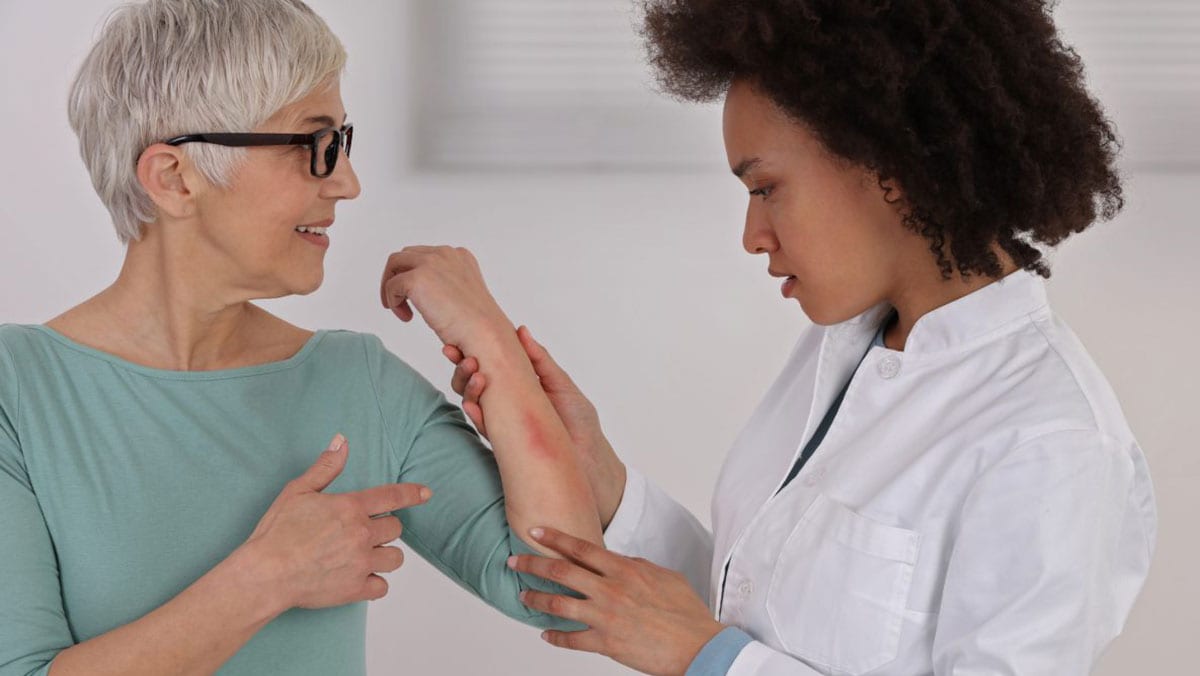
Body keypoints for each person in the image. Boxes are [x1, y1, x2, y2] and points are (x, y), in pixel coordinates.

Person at [443, 1, 1157, 674]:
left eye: (765, 189)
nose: (752, 237)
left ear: (892, 171)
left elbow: (719, 647)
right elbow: (754, 607)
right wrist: (604, 481)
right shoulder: (846, 347)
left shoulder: (1051, 444)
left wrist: (709, 661)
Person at [0, 1, 601, 674]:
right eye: (315, 146)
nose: (347, 182)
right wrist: (266, 578)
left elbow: (564, 591)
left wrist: (492, 342)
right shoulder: (16, 393)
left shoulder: (357, 382)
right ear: (175, 179)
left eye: (344, 142)